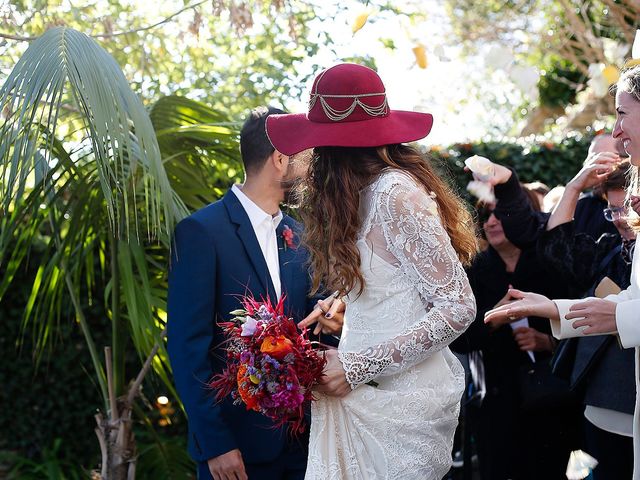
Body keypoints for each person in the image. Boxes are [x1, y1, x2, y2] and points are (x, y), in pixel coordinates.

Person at [265, 63, 478, 479]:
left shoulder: (395, 194)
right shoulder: (358, 196)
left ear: (332, 146)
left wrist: (357, 366)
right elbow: (396, 282)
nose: (308, 158)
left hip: (397, 408)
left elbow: (458, 305)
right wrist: (351, 301)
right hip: (355, 396)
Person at [166, 106, 343, 480]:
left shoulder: (300, 235)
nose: (312, 170)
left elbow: (316, 315)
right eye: (307, 158)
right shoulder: (201, 232)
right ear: (280, 160)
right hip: (236, 450)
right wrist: (215, 443)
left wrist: (333, 316)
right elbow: (186, 348)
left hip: (303, 444)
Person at [484, 65, 640, 479]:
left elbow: (625, 308)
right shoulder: (601, 222)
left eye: (622, 114)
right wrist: (553, 309)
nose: (618, 133)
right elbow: (558, 250)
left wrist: (620, 317)